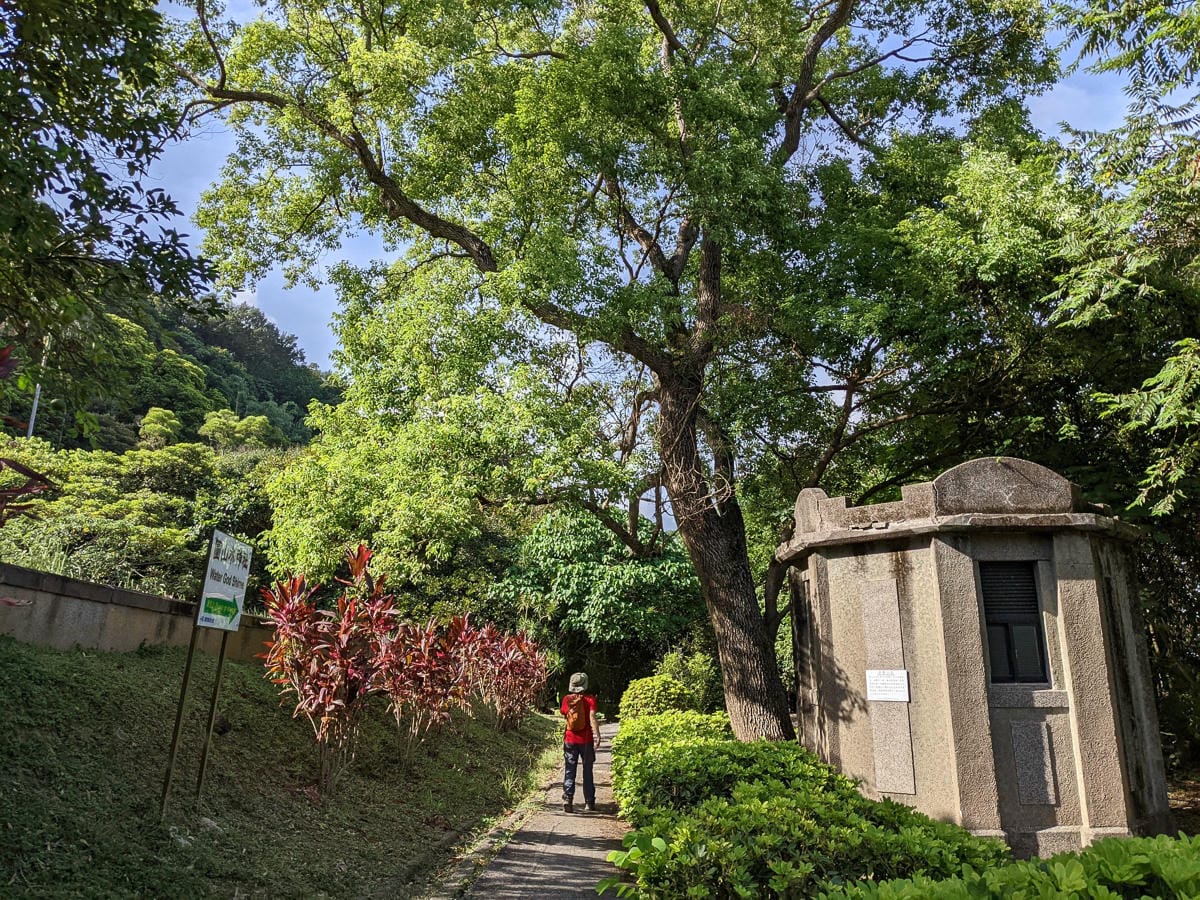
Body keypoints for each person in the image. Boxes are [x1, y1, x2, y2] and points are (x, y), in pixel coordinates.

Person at [560, 671, 600, 813]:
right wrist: (597, 735)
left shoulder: (566, 699)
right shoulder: (590, 699)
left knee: (570, 769)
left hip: (570, 739)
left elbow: (564, 713)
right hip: (586, 740)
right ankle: (589, 802)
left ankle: (568, 799)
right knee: (587, 770)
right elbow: (592, 717)